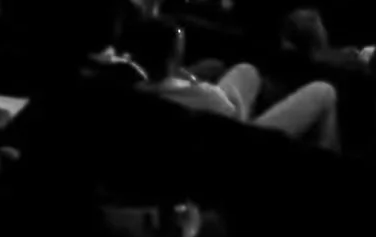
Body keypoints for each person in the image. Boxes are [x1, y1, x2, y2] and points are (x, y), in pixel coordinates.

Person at [134, 17, 341, 149]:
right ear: (174, 57)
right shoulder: (206, 96)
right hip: (241, 145)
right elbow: (234, 123)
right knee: (325, 91)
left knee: (246, 70)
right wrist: (198, 83)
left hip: (214, 119)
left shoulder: (137, 86)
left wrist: (189, 77)